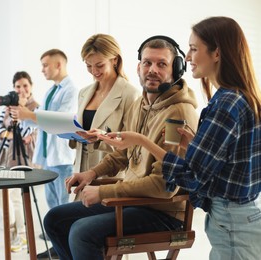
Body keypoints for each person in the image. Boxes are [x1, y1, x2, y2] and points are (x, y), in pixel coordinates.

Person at [102, 17, 261, 260]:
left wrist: (140, 140)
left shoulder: (226, 104)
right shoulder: (237, 98)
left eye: (194, 49)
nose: (187, 57)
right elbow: (222, 166)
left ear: (216, 53)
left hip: (232, 222)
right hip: (237, 217)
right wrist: (195, 148)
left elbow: (191, 177)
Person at [42, 36, 199, 259]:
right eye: (147, 63)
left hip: (163, 212)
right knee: (55, 219)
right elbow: (123, 154)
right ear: (138, 66)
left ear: (176, 69)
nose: (152, 69)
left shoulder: (178, 116)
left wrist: (103, 191)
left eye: (161, 64)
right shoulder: (141, 105)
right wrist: (92, 173)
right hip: (135, 203)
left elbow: (163, 186)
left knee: (81, 232)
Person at [10, 49, 78, 257]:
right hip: (48, 156)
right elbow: (39, 119)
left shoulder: (71, 90)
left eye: (45, 65)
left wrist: (28, 113)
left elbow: (60, 120)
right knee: (52, 204)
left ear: (59, 65)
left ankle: (64, 250)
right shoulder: (51, 91)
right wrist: (23, 114)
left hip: (62, 158)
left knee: (63, 207)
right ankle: (58, 247)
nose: (42, 70)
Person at [70, 34, 140, 186]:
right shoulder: (84, 93)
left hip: (110, 177)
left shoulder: (130, 94)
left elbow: (133, 144)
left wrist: (103, 137)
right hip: (80, 170)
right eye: (89, 65)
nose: (94, 71)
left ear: (114, 59)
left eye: (99, 65)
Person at [0, 71, 39, 252]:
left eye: (25, 85)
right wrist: (11, 133)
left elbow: (29, 135)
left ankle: (20, 235)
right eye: (18, 86)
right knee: (0, 195)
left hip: (23, 158)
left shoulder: (35, 108)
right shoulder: (7, 107)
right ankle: (14, 230)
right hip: (5, 158)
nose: (21, 89)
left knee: (14, 197)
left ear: (31, 86)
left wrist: (13, 128)